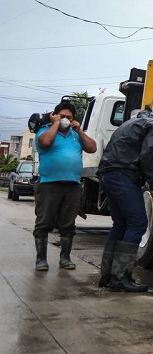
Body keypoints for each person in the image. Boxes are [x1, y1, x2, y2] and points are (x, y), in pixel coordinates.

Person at [97, 108, 153, 292]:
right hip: (122, 174)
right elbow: (147, 156)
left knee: (121, 225)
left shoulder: (135, 121)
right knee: (137, 224)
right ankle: (121, 278)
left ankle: (108, 275)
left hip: (108, 174)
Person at [33, 101, 97, 271]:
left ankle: (65, 258)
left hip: (73, 185)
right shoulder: (44, 131)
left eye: (69, 117)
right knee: (44, 222)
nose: (65, 120)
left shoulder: (76, 135)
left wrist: (80, 130)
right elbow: (45, 142)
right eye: (62, 117)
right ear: (55, 116)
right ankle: (41, 259)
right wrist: (55, 123)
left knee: (68, 224)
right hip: (48, 184)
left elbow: (92, 148)